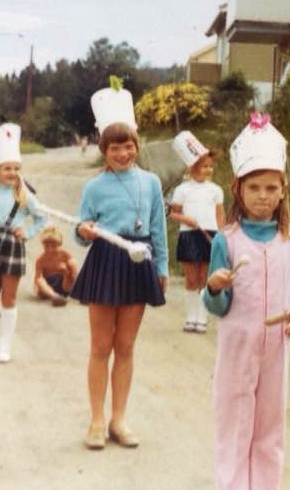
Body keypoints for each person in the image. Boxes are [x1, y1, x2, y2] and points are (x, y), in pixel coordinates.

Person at [202, 113, 290, 490]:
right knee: (234, 423)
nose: (262, 196)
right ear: (238, 189)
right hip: (237, 345)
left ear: (283, 190)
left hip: (276, 348)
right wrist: (214, 288)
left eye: (270, 188)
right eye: (254, 188)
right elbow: (218, 306)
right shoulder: (227, 240)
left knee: (270, 426)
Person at [70, 79, 168, 450]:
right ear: (104, 149)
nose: (123, 153)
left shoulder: (151, 182)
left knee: (125, 346)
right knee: (101, 346)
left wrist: (161, 268)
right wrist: (84, 232)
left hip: (138, 260)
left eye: (128, 146)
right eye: (115, 147)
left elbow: (158, 228)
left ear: (137, 145)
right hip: (106, 260)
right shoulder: (94, 187)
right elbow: (81, 232)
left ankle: (119, 420)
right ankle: (96, 420)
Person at [0, 122, 45, 364]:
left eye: (16, 168)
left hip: (13, 247)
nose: (13, 172)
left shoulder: (24, 196)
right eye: (7, 168)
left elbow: (41, 217)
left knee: (9, 298)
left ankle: (5, 347)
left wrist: (28, 232)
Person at [168, 130, 225, 333]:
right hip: (189, 235)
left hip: (210, 236)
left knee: (204, 278)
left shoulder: (215, 190)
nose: (208, 170)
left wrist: (222, 238)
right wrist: (186, 219)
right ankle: (190, 317)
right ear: (192, 167)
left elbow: (220, 216)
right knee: (191, 279)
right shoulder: (182, 190)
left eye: (210, 166)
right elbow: (174, 214)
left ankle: (202, 318)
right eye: (204, 166)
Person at [32, 225, 79, 306]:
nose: (50, 249)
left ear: (59, 244)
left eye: (54, 246)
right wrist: (40, 286)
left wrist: (65, 272)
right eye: (47, 246)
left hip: (64, 285)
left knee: (73, 262)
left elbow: (70, 276)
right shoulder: (41, 260)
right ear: (43, 245)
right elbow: (37, 281)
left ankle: (79, 290)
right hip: (49, 288)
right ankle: (56, 297)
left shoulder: (64, 255)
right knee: (39, 280)